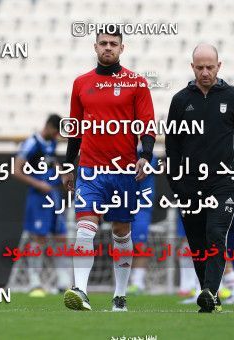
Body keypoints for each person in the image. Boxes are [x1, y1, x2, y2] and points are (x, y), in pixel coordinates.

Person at [61, 28, 156, 312]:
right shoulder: (81, 83)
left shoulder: (136, 83)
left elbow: (147, 125)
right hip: (90, 169)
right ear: (95, 46)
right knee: (85, 229)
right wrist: (69, 166)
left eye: (113, 44)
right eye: (103, 43)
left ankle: (120, 296)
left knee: (121, 231)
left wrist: (146, 155)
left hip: (124, 169)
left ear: (121, 48)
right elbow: (74, 130)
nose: (108, 48)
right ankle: (80, 290)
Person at [165, 43, 234, 313]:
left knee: (216, 234)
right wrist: (175, 183)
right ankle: (211, 296)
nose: (205, 72)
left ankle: (209, 291)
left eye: (210, 67)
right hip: (189, 184)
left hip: (224, 182)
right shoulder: (180, 101)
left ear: (219, 66)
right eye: (200, 67)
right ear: (192, 67)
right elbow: (172, 147)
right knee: (196, 242)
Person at [13, 114, 70, 297]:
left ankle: (63, 282)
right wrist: (38, 184)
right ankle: (34, 282)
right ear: (49, 127)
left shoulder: (51, 144)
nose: (57, 136)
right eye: (56, 132)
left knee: (61, 236)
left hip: (53, 195)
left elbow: (51, 162)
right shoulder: (31, 144)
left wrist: (62, 173)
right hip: (38, 197)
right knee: (39, 238)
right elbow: (15, 170)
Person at [128, 151, 158, 295]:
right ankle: (125, 280)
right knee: (122, 241)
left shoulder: (149, 155)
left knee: (140, 243)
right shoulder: (124, 150)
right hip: (123, 201)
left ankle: (137, 282)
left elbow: (142, 170)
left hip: (142, 205)